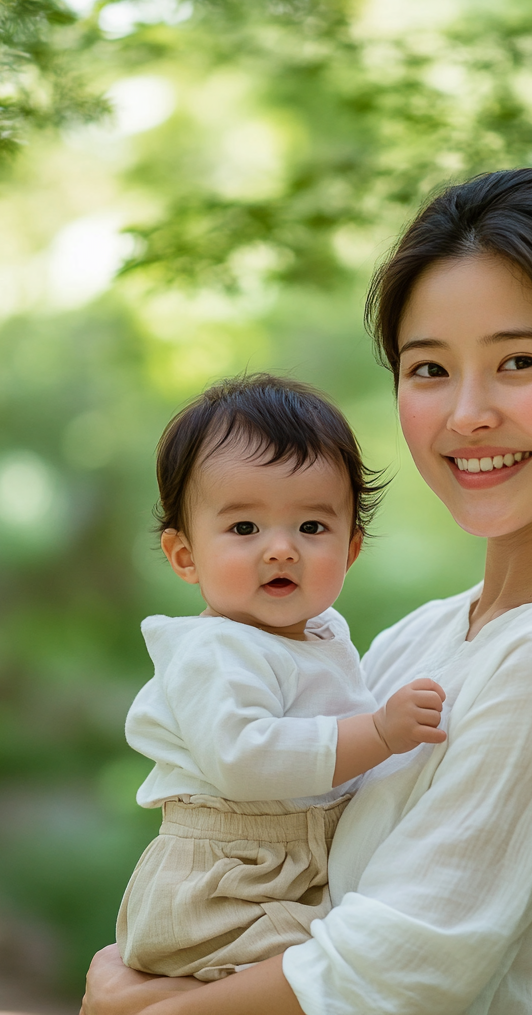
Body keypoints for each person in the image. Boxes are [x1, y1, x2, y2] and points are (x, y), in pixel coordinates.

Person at [82, 167, 532, 1015]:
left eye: (519, 360)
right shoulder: (426, 638)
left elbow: (391, 973)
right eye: (430, 368)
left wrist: (128, 1006)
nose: (467, 414)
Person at [117, 374, 447, 981]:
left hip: (284, 867)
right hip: (225, 883)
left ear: (350, 548)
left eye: (312, 528)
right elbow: (244, 757)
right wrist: (378, 732)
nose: (280, 549)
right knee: (351, 965)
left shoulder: (324, 633)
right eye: (244, 529)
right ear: (185, 555)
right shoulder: (214, 649)